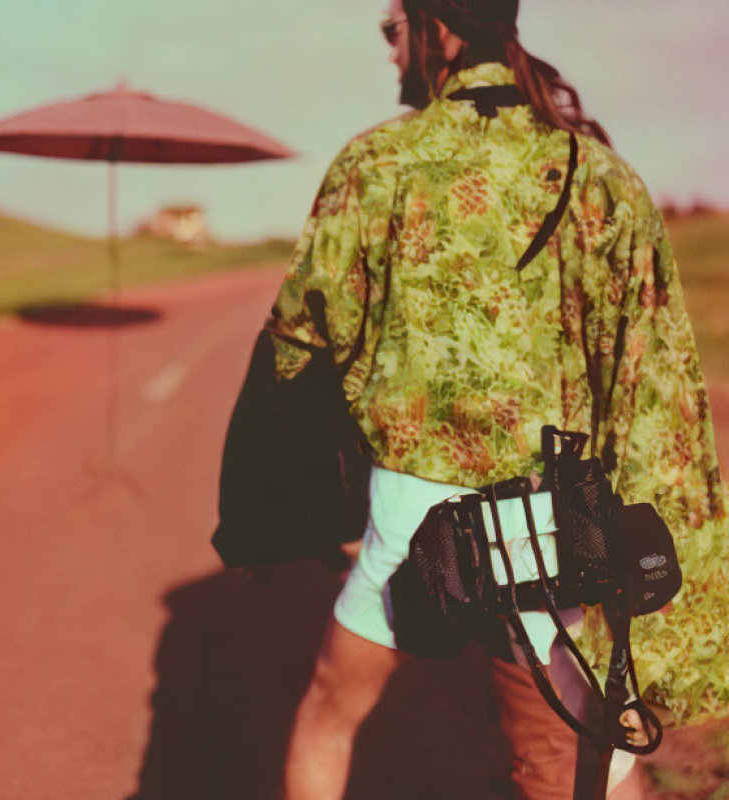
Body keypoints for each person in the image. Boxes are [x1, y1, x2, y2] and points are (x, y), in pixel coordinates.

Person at [266, 1, 729, 798]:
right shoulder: (600, 176)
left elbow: (299, 342)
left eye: (394, 31)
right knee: (589, 762)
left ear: (437, 32)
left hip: (412, 515)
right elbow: (653, 376)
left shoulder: (377, 163)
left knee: (330, 712)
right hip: (553, 527)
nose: (391, 54)